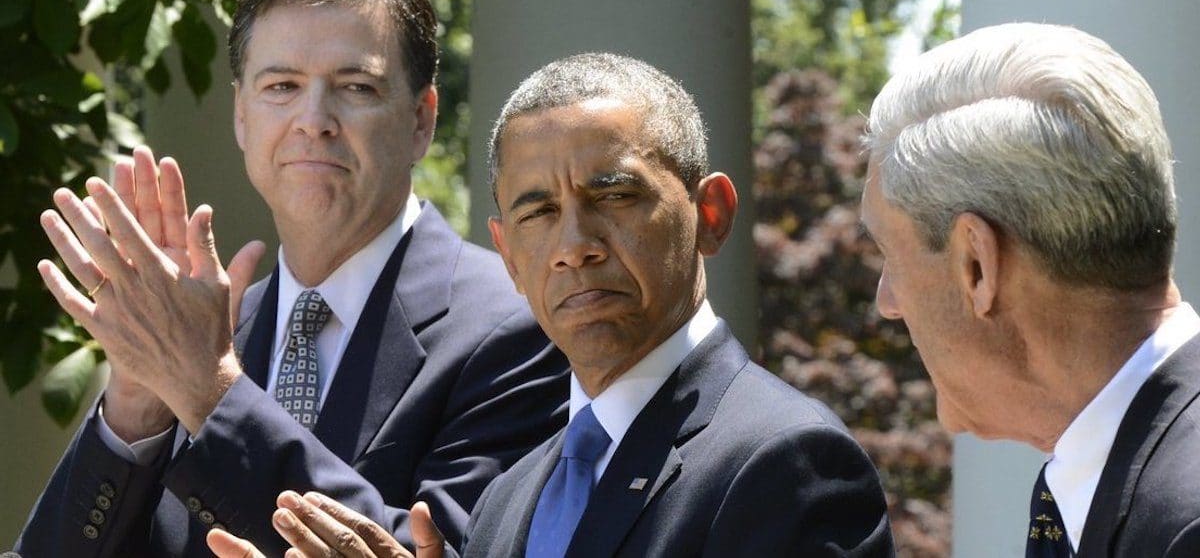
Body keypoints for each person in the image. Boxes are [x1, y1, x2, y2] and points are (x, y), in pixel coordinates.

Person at [208, 53, 895, 557]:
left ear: (710, 213)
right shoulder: (510, 500)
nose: (574, 246)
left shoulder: (786, 462)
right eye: (538, 213)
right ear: (507, 255)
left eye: (614, 196)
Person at [18, 0, 568, 557]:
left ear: (421, 120)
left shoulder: (519, 325)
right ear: (242, 118)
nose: (314, 119)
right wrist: (135, 411)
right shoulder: (200, 333)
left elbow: (445, 550)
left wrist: (212, 394)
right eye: (282, 86)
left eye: (355, 86)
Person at [857, 23, 1200, 556]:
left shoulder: (1184, 520)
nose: (886, 302)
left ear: (977, 265)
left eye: (889, 255)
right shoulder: (1124, 474)